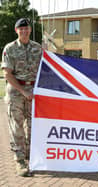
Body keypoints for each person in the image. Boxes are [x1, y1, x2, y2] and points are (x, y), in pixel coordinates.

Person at [1, 18, 42, 177]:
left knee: (33, 126)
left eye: (26, 28)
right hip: (16, 91)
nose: (24, 31)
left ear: (30, 30)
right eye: (21, 29)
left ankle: (30, 156)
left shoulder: (38, 48)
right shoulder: (9, 48)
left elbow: (45, 69)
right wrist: (23, 91)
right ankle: (20, 161)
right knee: (17, 127)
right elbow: (7, 74)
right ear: (16, 30)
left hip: (33, 90)